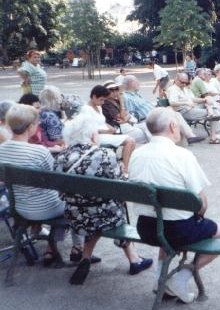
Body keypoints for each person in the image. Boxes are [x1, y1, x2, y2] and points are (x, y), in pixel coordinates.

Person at [130, 108, 220, 303]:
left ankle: (159, 281)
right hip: (177, 229)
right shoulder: (182, 155)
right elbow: (201, 202)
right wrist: (199, 219)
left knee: (168, 227)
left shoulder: (137, 153)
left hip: (145, 227)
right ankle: (179, 279)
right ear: (172, 126)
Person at [54, 113, 152, 284]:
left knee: (95, 210)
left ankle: (86, 257)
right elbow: (121, 189)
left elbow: (60, 192)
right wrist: (121, 169)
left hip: (76, 216)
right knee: (114, 207)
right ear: (92, 135)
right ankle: (134, 259)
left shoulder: (62, 156)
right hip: (105, 215)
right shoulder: (105, 154)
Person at [0, 104, 83, 265]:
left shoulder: (1, 150)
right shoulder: (39, 152)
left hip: (19, 208)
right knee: (76, 200)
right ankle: (77, 246)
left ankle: (51, 249)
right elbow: (58, 181)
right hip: (45, 208)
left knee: (61, 200)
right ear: (31, 127)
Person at [121, 75, 204, 144]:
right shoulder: (127, 97)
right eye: (136, 81)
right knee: (174, 115)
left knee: (176, 115)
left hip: (154, 113)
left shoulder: (136, 95)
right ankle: (188, 137)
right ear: (130, 84)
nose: (138, 83)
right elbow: (131, 115)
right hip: (147, 118)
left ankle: (189, 136)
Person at [83, 86, 136, 175]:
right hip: (95, 136)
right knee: (130, 141)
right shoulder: (86, 110)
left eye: (104, 100)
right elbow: (88, 129)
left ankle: (124, 166)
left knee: (132, 141)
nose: (103, 102)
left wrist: (110, 128)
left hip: (105, 132)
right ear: (94, 96)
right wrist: (107, 131)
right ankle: (125, 169)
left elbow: (102, 121)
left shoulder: (98, 107)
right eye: (101, 100)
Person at [167, 73, 220, 144]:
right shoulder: (173, 89)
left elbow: (193, 99)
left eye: (186, 83)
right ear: (176, 80)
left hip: (191, 108)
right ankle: (214, 136)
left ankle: (212, 117)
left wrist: (205, 99)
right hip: (183, 111)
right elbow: (172, 103)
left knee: (210, 101)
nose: (184, 84)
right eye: (182, 82)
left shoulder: (185, 88)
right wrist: (186, 103)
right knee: (214, 112)